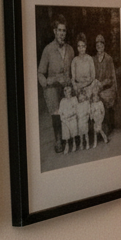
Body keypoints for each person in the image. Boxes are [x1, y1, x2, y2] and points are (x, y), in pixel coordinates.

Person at [37, 18, 75, 154]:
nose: (62, 34)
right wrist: (49, 81)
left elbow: (74, 69)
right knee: (55, 105)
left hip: (67, 86)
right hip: (53, 87)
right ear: (54, 31)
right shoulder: (48, 50)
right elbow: (40, 73)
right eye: (59, 30)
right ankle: (58, 138)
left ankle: (71, 134)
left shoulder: (70, 50)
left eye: (64, 31)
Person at [93, 34, 117, 137]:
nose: (99, 46)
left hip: (108, 87)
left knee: (103, 96)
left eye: (101, 44)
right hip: (97, 85)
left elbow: (110, 78)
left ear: (104, 45)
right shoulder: (93, 59)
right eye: (97, 44)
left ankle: (107, 125)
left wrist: (101, 85)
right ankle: (95, 125)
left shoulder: (108, 59)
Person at [70, 32, 96, 98]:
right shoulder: (74, 60)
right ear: (77, 47)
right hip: (78, 87)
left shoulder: (89, 59)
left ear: (86, 47)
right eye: (79, 46)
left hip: (89, 86)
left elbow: (93, 77)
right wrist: (75, 86)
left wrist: (85, 85)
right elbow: (73, 78)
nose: (81, 48)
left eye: (83, 46)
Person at [57, 84, 80, 154]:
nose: (68, 94)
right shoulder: (62, 101)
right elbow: (60, 111)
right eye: (66, 92)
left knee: (73, 124)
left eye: (69, 92)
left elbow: (77, 109)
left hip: (72, 117)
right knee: (64, 125)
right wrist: (63, 117)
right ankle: (67, 144)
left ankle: (74, 142)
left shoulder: (74, 99)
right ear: (64, 93)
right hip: (65, 119)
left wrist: (71, 115)